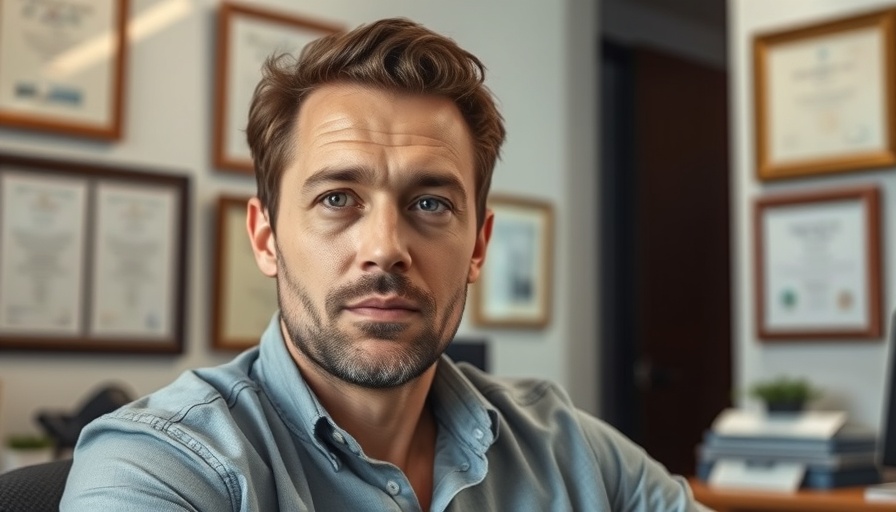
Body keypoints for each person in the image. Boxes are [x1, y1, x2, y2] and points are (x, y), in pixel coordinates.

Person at [61, 17, 708, 511]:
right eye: (337, 198)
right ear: (265, 239)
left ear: (478, 246)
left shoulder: (564, 448)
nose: (385, 247)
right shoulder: (161, 463)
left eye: (430, 202)